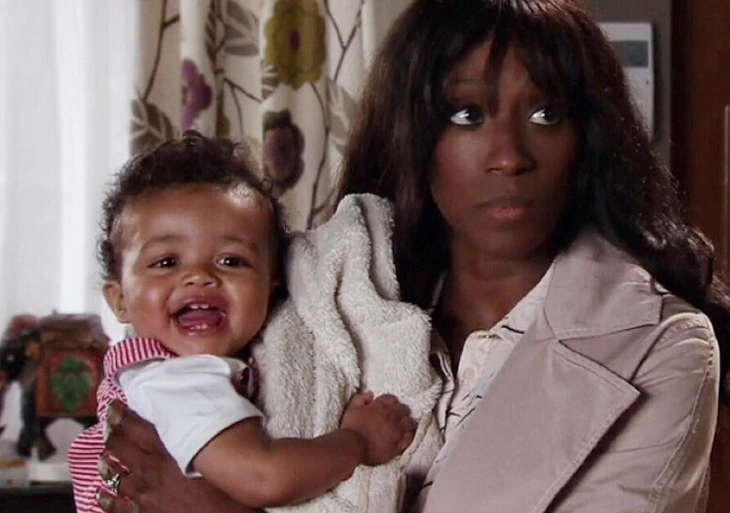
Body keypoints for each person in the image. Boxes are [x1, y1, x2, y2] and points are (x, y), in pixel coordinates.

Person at [95, 1, 730, 512]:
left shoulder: (663, 347)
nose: (509, 156)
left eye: (546, 114)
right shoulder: (323, 296)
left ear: (585, 139)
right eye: (467, 114)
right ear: (414, 134)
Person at [68, 131, 416, 513]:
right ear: (120, 301)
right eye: (166, 262)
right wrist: (357, 441)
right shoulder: (174, 380)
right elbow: (264, 478)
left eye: (231, 261)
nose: (199, 276)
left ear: (272, 288)